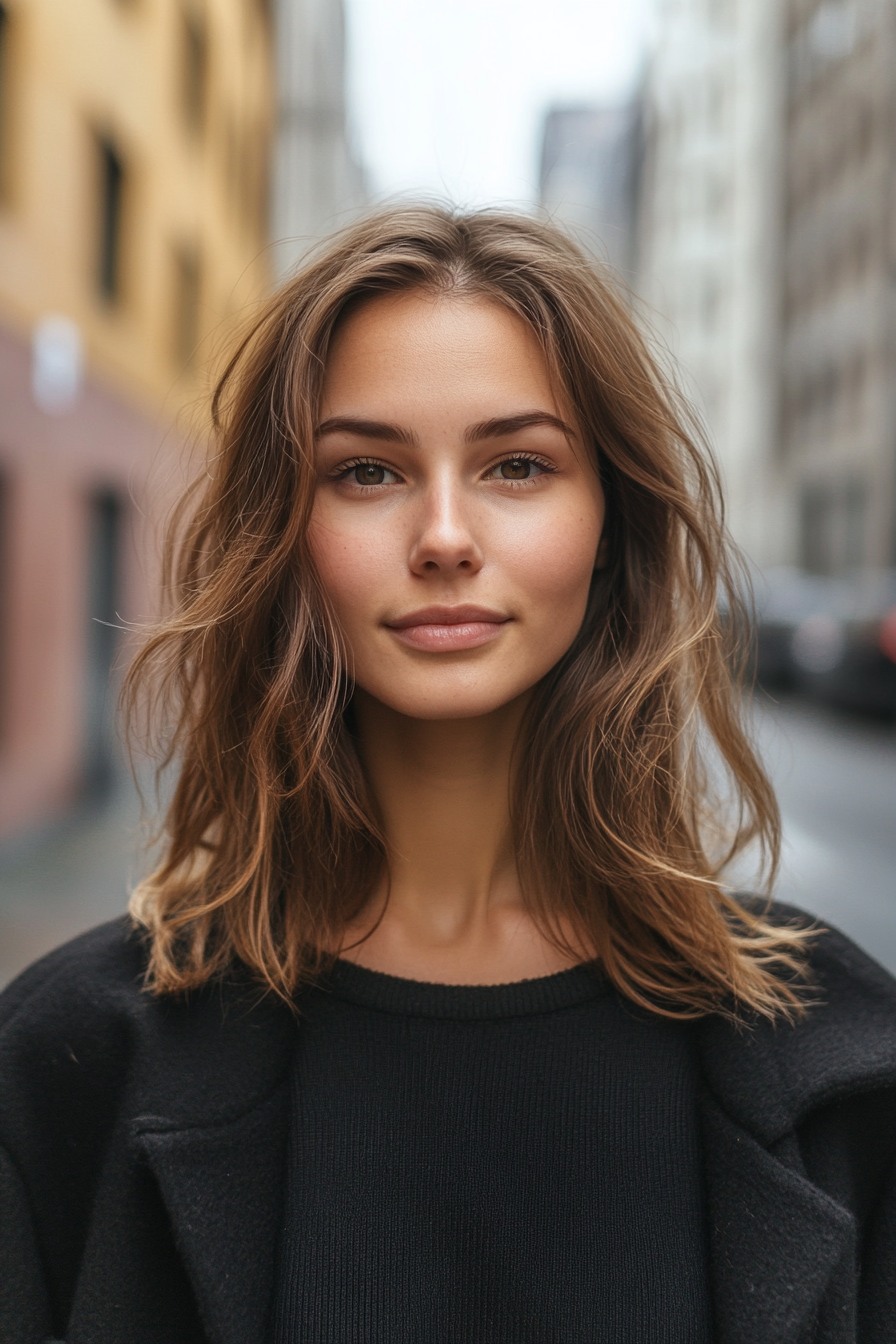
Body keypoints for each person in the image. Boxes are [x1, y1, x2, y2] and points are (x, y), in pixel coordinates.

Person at [1, 206, 895, 1344]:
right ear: (285, 535)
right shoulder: (62, 1066)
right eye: (367, 471)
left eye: (515, 465)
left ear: (608, 526)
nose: (442, 535)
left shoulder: (849, 1066)